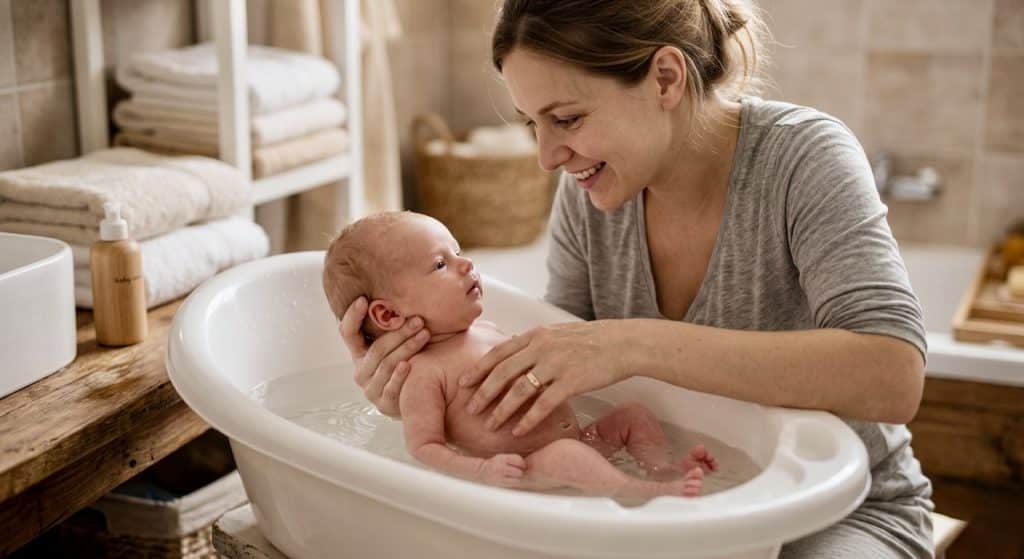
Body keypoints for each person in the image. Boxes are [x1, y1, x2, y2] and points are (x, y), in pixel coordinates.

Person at [339, 1, 934, 557]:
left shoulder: (802, 159)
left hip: (835, 514)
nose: (547, 157)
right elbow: (561, 391)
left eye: (566, 119)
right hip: (661, 513)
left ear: (665, 79)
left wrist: (630, 343)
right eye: (534, 124)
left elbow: (894, 374)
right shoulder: (590, 193)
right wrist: (422, 393)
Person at [323, 211, 717, 498]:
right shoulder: (423, 373)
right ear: (389, 315)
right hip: (530, 466)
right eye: (440, 264)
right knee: (566, 455)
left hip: (582, 438)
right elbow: (424, 447)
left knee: (633, 415)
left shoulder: (486, 330)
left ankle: (663, 469)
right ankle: (640, 491)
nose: (466, 264)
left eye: (458, 251)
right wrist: (482, 470)